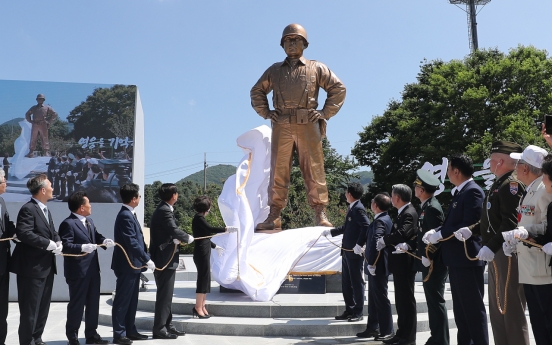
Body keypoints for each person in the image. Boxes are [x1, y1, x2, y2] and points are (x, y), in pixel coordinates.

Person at [251, 23, 346, 230]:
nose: (291, 43)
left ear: (304, 43)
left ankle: (320, 212)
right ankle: (274, 214)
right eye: (287, 40)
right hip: (282, 123)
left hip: (308, 122)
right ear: (282, 44)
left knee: (314, 168)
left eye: (296, 40)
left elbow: (338, 88)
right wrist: (266, 112)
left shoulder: (316, 67)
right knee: (278, 169)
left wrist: (323, 113)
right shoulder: (274, 70)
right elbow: (257, 91)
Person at [456, 141, 529, 345]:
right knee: (498, 310)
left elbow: (511, 221)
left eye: (492, 158)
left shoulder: (511, 185)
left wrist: (492, 245)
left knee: (511, 309)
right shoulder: (499, 184)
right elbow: (491, 220)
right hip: (496, 251)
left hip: (505, 251)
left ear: (501, 161)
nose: (489, 162)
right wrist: (471, 231)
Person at [424, 154, 488, 345]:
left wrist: (440, 235)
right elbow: (451, 223)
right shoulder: (460, 192)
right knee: (461, 313)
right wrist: (436, 231)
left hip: (467, 258)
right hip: (457, 259)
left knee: (473, 311)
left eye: (449, 169)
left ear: (456, 171)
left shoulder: (473, 192)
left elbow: (469, 223)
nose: (448, 174)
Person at [502, 146, 552, 345]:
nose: (515, 167)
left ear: (526, 168)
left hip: (543, 269)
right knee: (539, 327)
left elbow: (548, 226)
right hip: (530, 268)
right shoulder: (531, 188)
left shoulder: (544, 188)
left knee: (547, 326)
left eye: (518, 163)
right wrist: (517, 242)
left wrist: (525, 233)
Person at [10, 174, 63, 345]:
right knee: (30, 310)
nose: (52, 189)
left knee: (42, 308)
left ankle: (37, 338)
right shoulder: (28, 209)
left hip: (46, 267)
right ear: (42, 190)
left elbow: (52, 232)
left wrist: (58, 241)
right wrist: (47, 243)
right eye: (50, 186)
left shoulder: (45, 210)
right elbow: (24, 233)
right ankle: (27, 341)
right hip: (31, 269)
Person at [59, 191, 116, 345]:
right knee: (76, 305)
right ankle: (73, 336)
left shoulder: (89, 221)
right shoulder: (68, 223)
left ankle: (91, 335)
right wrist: (82, 247)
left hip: (93, 270)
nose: (91, 206)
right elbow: (65, 246)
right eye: (88, 203)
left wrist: (104, 241)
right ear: (81, 207)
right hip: (78, 272)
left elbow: (96, 236)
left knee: (93, 304)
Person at [149, 184, 194, 339]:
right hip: (164, 259)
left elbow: (167, 232)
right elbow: (173, 230)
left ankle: (168, 325)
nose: (178, 195)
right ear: (173, 195)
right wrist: (186, 237)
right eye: (177, 192)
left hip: (165, 257)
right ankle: (159, 329)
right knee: (164, 295)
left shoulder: (164, 209)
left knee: (167, 295)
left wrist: (174, 238)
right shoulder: (164, 211)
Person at [111, 183, 154, 343]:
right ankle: (119, 334)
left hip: (134, 265)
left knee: (132, 300)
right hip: (126, 265)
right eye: (139, 196)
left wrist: (143, 258)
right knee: (123, 300)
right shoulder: (125, 216)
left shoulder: (129, 214)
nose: (140, 198)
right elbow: (132, 243)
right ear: (134, 198)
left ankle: (130, 330)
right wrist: (147, 259)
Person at [376, 184, 418, 345]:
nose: (391, 198)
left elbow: (403, 233)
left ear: (398, 198)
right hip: (399, 263)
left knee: (406, 301)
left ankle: (409, 338)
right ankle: (401, 334)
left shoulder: (409, 213)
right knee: (401, 301)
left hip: (405, 264)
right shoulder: (402, 213)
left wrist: (384, 240)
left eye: (392, 195)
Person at [322, 182, 369, 322]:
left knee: (356, 282)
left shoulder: (359, 209)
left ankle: (358, 312)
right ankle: (349, 309)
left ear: (350, 194)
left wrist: (359, 244)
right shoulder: (352, 208)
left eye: (346, 192)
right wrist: (331, 232)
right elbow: (347, 227)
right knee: (346, 283)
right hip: (346, 251)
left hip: (354, 252)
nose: (345, 195)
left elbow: (366, 226)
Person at [413, 169, 449, 345]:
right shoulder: (426, 206)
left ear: (421, 189)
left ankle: (440, 339)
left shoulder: (432, 208)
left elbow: (438, 236)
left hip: (434, 263)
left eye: (416, 186)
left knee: (436, 302)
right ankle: (436, 337)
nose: (415, 189)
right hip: (428, 261)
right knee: (432, 302)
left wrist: (429, 255)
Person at [355, 193, 394, 341]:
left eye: (372, 202)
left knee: (381, 299)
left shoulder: (380, 222)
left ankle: (387, 330)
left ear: (376, 206)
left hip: (377, 266)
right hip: (377, 265)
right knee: (374, 298)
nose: (371, 204)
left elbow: (377, 244)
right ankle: (373, 327)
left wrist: (372, 263)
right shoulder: (384, 219)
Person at [192, 195, 233, 318]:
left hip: (204, 250)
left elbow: (205, 238)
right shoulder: (199, 218)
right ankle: (198, 307)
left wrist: (215, 246)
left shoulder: (199, 218)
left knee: (206, 279)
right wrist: (226, 229)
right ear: (207, 208)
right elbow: (210, 230)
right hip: (201, 252)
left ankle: (202, 305)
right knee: (203, 279)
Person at [0, 170, 16, 344]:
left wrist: (18, 234)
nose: (6, 183)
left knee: (2, 306)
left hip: (3, 261)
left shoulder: (2, 201)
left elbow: (7, 224)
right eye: (4, 180)